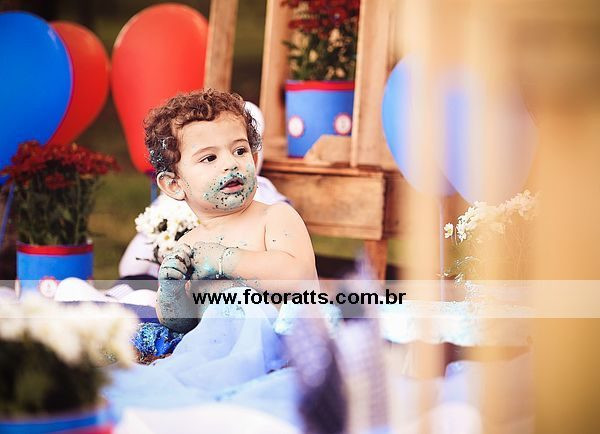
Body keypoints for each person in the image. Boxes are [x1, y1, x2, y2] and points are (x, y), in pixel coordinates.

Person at [146, 89, 318, 333]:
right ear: (175, 185)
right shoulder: (189, 245)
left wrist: (224, 259)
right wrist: (171, 292)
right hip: (214, 347)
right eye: (209, 158)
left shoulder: (274, 218)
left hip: (281, 343)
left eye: (240, 151)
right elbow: (182, 324)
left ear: (254, 159)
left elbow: (300, 278)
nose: (231, 163)